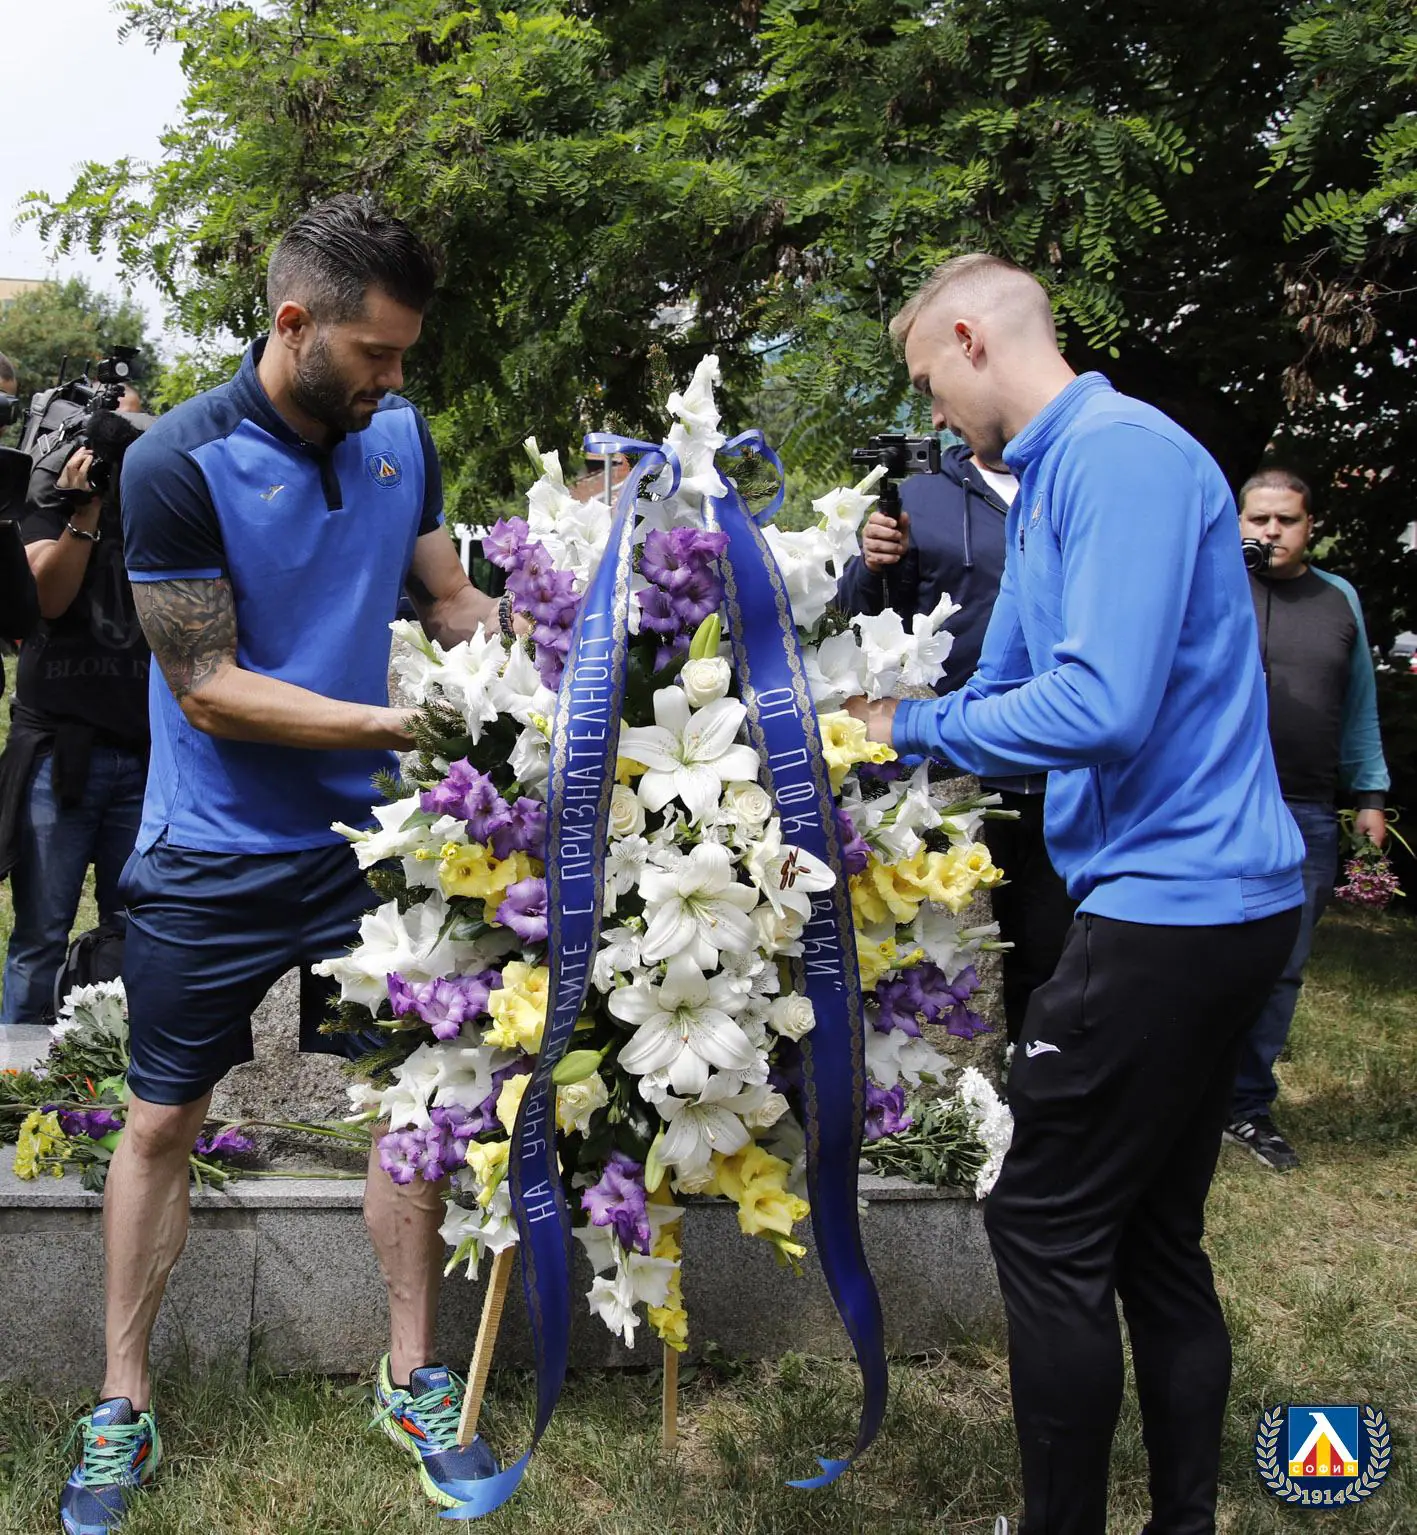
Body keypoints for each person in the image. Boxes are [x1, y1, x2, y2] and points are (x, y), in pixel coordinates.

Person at [58, 196, 509, 1535]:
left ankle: (411, 1373)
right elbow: (206, 684)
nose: (395, 378)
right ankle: (122, 1397)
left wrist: (566, 635)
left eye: (406, 352)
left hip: (367, 851)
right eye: (375, 352)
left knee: (407, 1100)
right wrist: (400, 724)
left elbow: (449, 597)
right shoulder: (176, 462)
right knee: (161, 1119)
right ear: (295, 322)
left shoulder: (400, 435)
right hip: (212, 851)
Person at [845, 253, 1304, 1535]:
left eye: (928, 382)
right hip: (1188, 898)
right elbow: (1005, 686)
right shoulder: (1052, 478)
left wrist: (906, 727)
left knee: (1043, 1221)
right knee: (1150, 1233)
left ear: (969, 338)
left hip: (1175, 905)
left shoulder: (1120, 457)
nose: (934, 413)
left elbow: (1101, 705)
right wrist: (861, 741)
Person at [837, 446, 1076, 1041]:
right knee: (963, 947)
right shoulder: (922, 498)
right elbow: (863, 620)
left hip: (1063, 762)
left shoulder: (1072, 482)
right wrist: (871, 566)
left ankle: (1039, 1064)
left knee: (1052, 950)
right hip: (956, 763)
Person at [1225, 467, 1390, 1171]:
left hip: (1304, 809)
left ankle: (1244, 1105)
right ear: (1236, 523)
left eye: (1285, 520)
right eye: (1257, 518)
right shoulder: (1210, 586)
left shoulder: (1337, 598)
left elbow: (1359, 707)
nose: (1270, 531)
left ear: (1309, 526)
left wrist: (1370, 795)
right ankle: (1179, 1093)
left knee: (1282, 967)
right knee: (1193, 956)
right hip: (1213, 803)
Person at [0, 422, 150, 1025]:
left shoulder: (159, 510)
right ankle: (18, 1077)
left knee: (135, 931)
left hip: (141, 755)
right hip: (57, 754)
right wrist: (84, 508)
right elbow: (45, 600)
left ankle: (118, 1069)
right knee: (40, 935)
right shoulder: (47, 499)